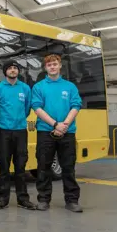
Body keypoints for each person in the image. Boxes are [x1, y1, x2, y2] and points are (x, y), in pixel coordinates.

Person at [31, 54, 83, 213]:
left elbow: (76, 105)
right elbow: (37, 108)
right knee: (43, 167)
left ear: (60, 66)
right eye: (49, 65)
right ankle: (44, 199)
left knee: (68, 167)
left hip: (67, 132)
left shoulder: (70, 87)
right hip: (45, 132)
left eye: (55, 64)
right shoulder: (39, 87)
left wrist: (64, 124)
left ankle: (72, 201)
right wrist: (55, 124)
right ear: (45, 68)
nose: (52, 67)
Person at [0, 60, 36, 210]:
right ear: (5, 71)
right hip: (3, 132)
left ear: (18, 71)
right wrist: (4, 122)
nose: (13, 70)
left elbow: (27, 109)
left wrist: (17, 121)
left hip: (21, 131)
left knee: (21, 167)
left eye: (15, 68)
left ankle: (23, 199)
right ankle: (3, 199)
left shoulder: (25, 88)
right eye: (10, 68)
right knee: (4, 167)